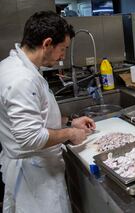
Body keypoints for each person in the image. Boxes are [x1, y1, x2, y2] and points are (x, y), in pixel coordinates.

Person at [0, 11, 95, 212]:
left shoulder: (12, 65)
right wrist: (70, 134)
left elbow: (36, 117)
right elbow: (29, 137)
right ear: (47, 43)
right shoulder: (22, 80)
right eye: (62, 49)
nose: (63, 56)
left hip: (33, 169)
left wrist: (69, 122)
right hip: (34, 178)